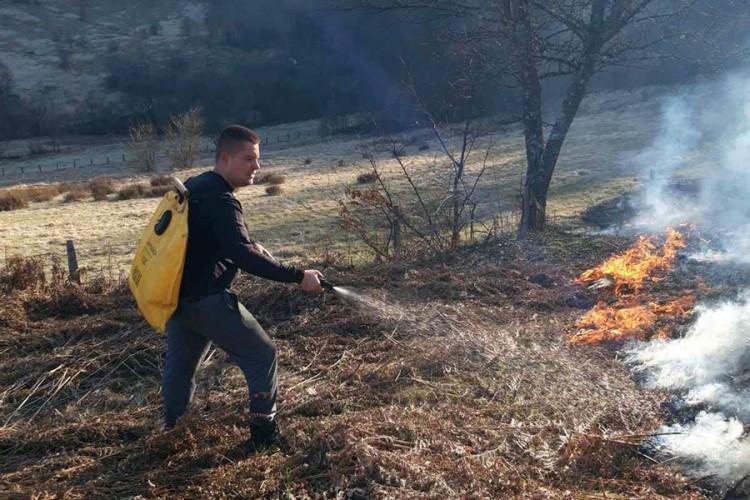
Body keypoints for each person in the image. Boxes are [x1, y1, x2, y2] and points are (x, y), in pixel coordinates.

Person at [162, 124, 323, 451]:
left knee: (181, 368)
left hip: (177, 299)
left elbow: (208, 241)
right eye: (249, 159)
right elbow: (242, 255)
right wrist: (298, 276)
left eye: (257, 159)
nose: (257, 167)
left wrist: (245, 246)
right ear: (225, 157)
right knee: (263, 354)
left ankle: (173, 430)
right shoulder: (223, 200)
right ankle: (264, 436)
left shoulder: (196, 186)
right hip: (207, 301)